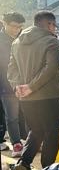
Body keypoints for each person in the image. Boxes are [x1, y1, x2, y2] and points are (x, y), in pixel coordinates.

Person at [8, 10, 59, 170]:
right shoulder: (51, 41)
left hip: (26, 99)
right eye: (54, 25)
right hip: (49, 96)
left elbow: (12, 68)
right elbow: (51, 68)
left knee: (36, 130)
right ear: (49, 24)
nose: (55, 29)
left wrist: (18, 87)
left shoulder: (17, 41)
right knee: (52, 133)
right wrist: (31, 87)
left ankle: (24, 163)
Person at [0, 12, 27, 159]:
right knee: (11, 116)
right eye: (14, 26)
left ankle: (28, 140)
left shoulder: (23, 38)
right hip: (6, 85)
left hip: (25, 83)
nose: (17, 29)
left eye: (20, 27)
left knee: (27, 113)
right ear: (4, 23)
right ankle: (16, 143)